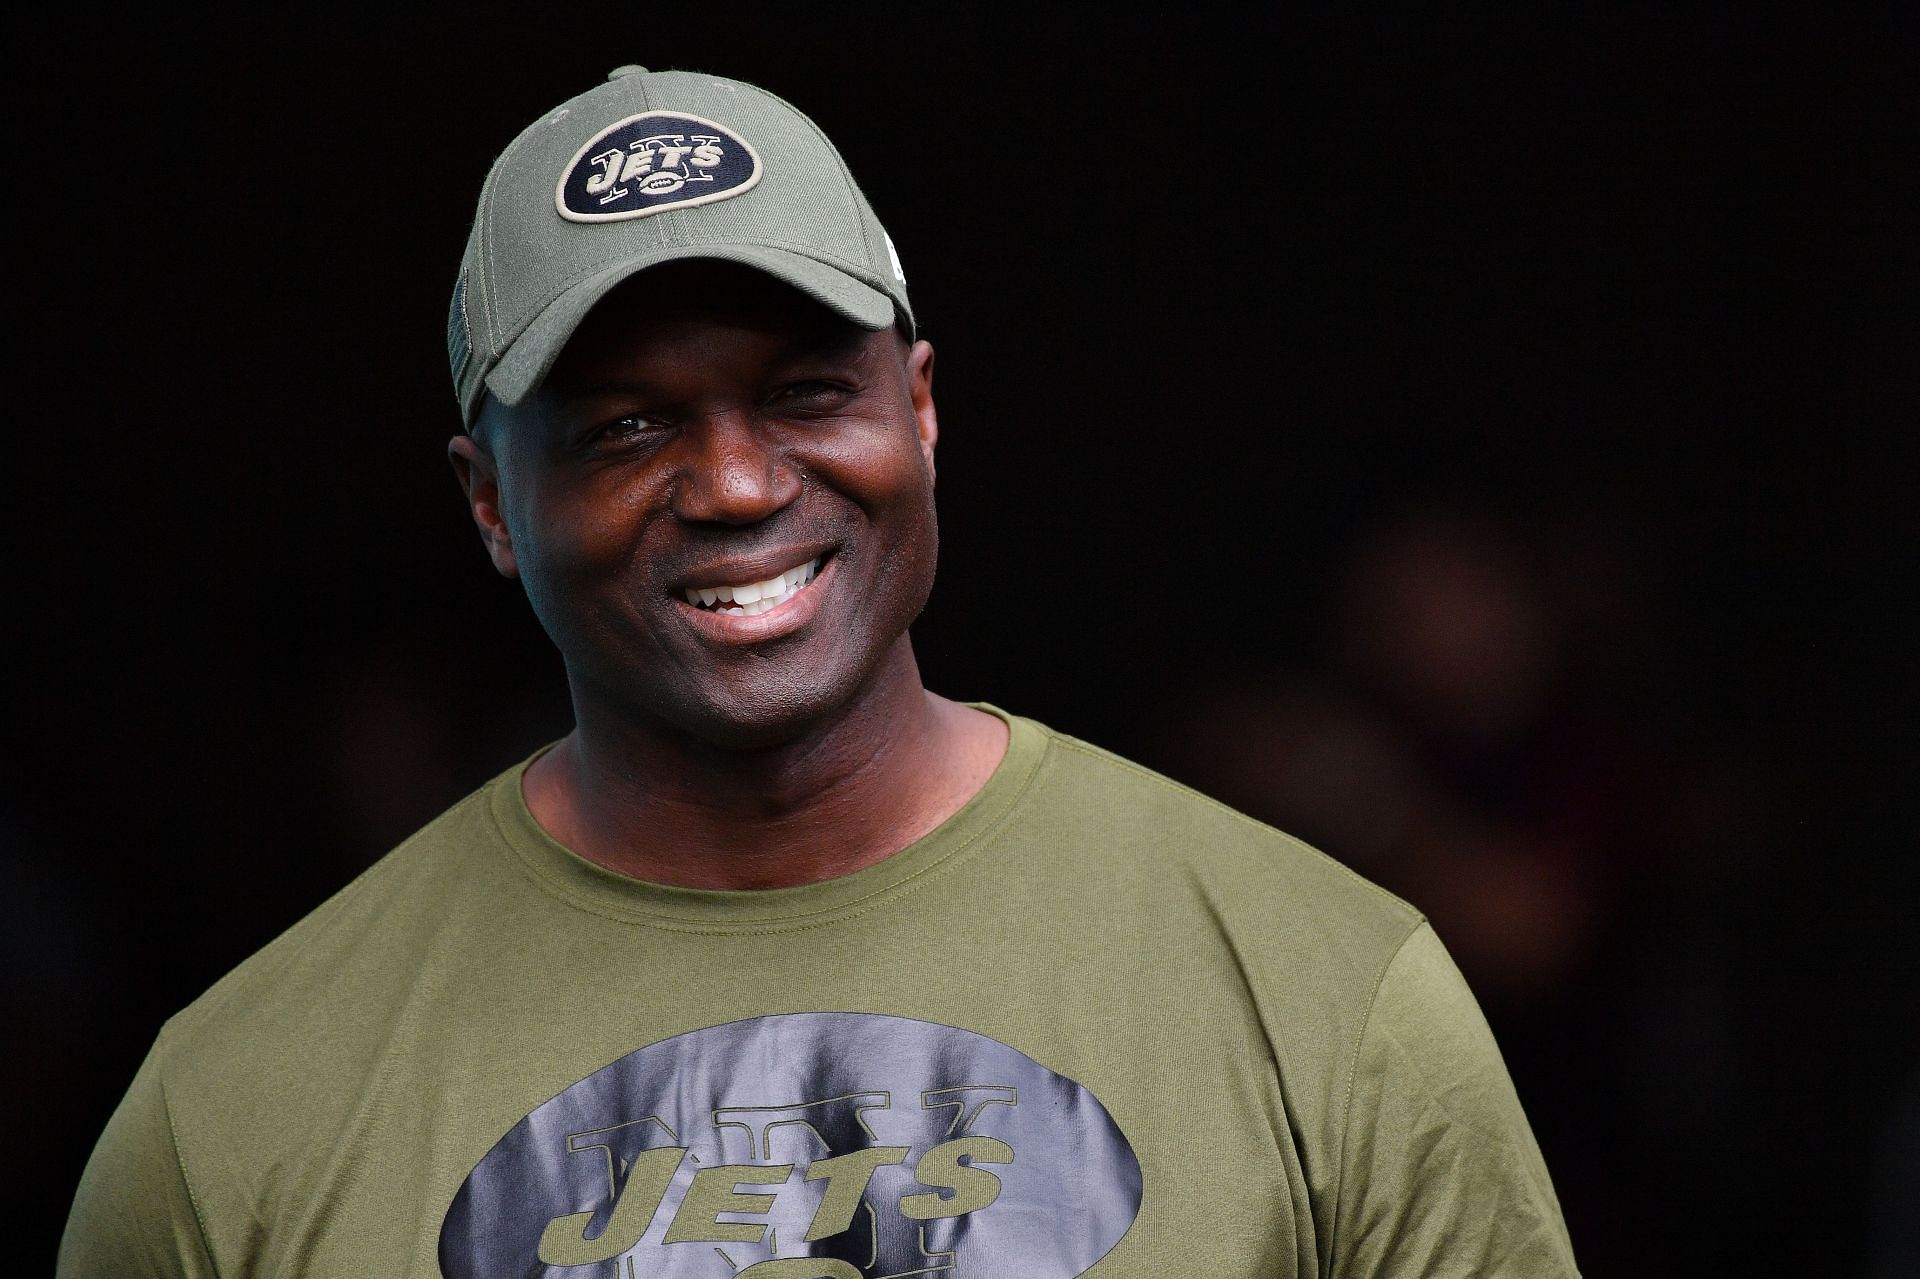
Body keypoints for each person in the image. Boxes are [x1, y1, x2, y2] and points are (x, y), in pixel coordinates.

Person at [59, 67, 1579, 1278]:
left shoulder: (1328, 995)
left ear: (920, 410)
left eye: (802, 392)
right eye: (625, 427)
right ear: (486, 505)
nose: (731, 483)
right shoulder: (237, 1116)